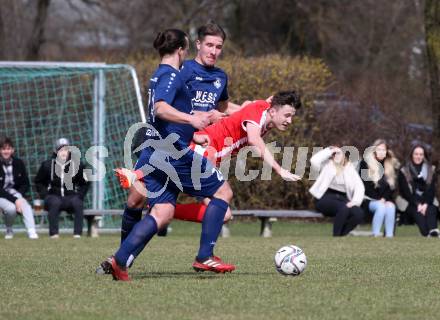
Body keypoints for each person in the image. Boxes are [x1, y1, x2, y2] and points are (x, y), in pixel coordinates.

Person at [106, 28, 235, 281]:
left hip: (160, 149)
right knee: (224, 192)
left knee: (163, 212)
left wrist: (192, 132)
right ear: (182, 49)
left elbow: (166, 114)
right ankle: (204, 256)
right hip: (172, 151)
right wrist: (193, 119)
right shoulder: (172, 75)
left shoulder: (161, 74)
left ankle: (119, 261)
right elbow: (161, 108)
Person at [116, 91, 302, 224]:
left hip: (206, 153)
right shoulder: (258, 112)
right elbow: (253, 138)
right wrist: (279, 169)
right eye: (287, 115)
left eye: (292, 116)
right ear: (272, 111)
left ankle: (149, 196)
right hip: (204, 149)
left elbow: (251, 106)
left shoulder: (265, 113)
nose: (289, 121)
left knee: (223, 214)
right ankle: (139, 178)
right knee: (221, 211)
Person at [34, 138, 90, 238]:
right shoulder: (47, 165)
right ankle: (54, 234)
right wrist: (45, 195)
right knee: (55, 202)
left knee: (78, 203)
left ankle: (77, 234)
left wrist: (80, 195)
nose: (63, 152)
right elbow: (38, 182)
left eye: (66, 149)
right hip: (53, 196)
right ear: (56, 151)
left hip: (70, 196)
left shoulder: (78, 165)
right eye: (60, 150)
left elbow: (85, 183)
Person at [310, 146, 365, 236]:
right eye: (334, 154)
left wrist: (355, 201)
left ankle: (342, 235)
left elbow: (359, 186)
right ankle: (336, 236)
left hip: (343, 199)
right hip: (324, 197)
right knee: (343, 208)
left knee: (358, 213)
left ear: (344, 155)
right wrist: (329, 150)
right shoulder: (326, 165)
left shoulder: (349, 168)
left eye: (339, 153)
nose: (337, 155)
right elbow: (314, 160)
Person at [359, 139, 399, 237]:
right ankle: (375, 234)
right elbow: (366, 187)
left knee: (391, 207)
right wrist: (379, 200)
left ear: (387, 152)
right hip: (369, 200)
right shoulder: (365, 164)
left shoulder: (389, 165)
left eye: (383, 150)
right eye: (379, 149)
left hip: (384, 200)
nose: (381, 152)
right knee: (381, 207)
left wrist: (384, 199)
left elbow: (391, 188)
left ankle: (389, 236)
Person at [0, 137, 38, 239]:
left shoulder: (19, 163)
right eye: (3, 149)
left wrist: (19, 196)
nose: (6, 151)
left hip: (15, 193)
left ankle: (32, 231)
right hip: (1, 194)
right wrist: (15, 200)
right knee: (11, 209)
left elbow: (25, 183)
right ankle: (9, 229)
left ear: (12, 150)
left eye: (8, 149)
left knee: (26, 206)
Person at [398, 143, 438, 237]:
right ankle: (428, 233)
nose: (418, 156)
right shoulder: (404, 170)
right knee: (423, 228)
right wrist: (418, 204)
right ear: (412, 155)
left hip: (427, 202)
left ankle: (433, 232)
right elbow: (405, 192)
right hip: (412, 203)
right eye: (416, 154)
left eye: (421, 154)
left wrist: (425, 204)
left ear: (424, 156)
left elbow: (432, 190)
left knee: (431, 209)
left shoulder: (430, 170)